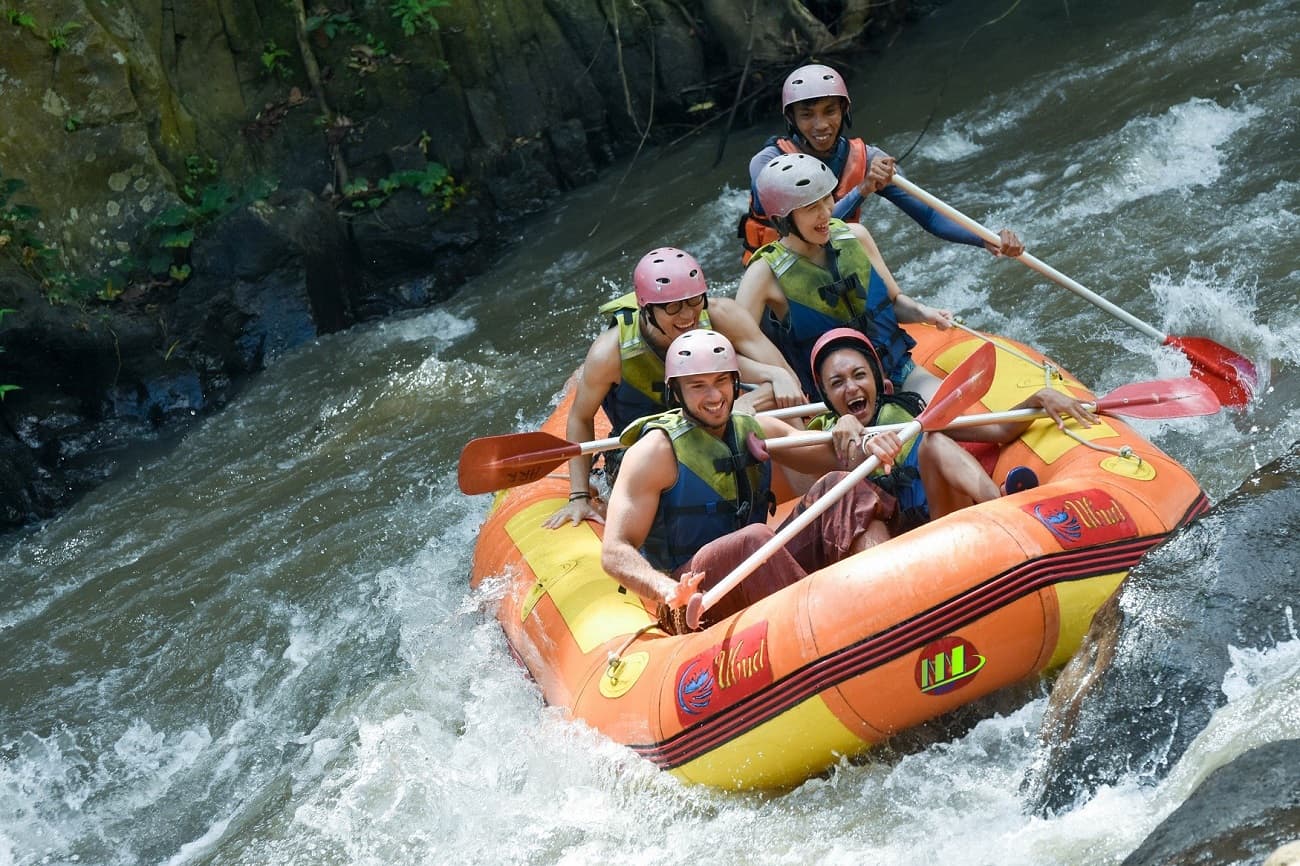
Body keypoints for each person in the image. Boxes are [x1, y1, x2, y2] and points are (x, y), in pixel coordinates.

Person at [601, 330, 897, 633]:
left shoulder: (754, 429)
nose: (714, 396)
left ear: (734, 382)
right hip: (692, 596)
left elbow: (836, 455)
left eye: (721, 382)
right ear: (676, 392)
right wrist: (664, 588)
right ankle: (826, 630)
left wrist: (857, 435)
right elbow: (614, 551)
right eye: (698, 386)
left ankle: (889, 595)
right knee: (753, 538)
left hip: (759, 565)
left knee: (838, 487)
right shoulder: (653, 452)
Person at [543, 247, 803, 529]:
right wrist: (579, 495)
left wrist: (751, 400)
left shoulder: (719, 316)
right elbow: (581, 417)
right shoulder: (610, 352)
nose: (687, 316)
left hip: (713, 433)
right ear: (647, 309)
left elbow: (788, 383)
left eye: (693, 301)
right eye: (672, 307)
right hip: (646, 454)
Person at [806, 328, 1098, 531]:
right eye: (838, 383)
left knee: (933, 440)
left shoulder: (910, 412)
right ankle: (1004, 506)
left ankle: (1007, 507)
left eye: (859, 375)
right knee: (931, 441)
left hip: (945, 512)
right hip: (908, 543)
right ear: (827, 397)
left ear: (877, 381)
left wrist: (1037, 399)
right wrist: (845, 426)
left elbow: (997, 431)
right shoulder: (831, 436)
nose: (852, 388)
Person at [737, 63, 1024, 264]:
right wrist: (863, 189)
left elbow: (930, 216)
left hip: (832, 268)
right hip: (777, 273)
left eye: (830, 111)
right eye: (807, 114)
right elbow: (804, 229)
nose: (820, 125)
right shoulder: (767, 165)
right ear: (792, 119)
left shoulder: (867, 159)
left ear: (844, 111)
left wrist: (986, 238)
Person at [736, 151, 950, 402]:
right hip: (839, 400)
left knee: (993, 427)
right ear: (782, 219)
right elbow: (733, 353)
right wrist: (775, 375)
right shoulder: (763, 274)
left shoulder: (856, 236)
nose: (826, 213)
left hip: (897, 370)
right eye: (811, 207)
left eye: (826, 199)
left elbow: (893, 302)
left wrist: (923, 312)